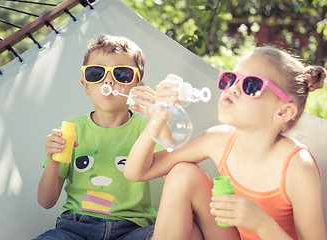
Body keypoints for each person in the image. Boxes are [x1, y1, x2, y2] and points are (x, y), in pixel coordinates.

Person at [125, 46, 327, 240]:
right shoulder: (218, 140)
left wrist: (261, 224)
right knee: (182, 173)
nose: (233, 89)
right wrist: (159, 117)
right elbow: (137, 172)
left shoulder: (297, 165)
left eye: (251, 84)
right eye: (230, 78)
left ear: (283, 112)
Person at [34, 34, 160, 240]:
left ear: (137, 87)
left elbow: (173, 176)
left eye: (122, 74)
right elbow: (46, 200)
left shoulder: (147, 127)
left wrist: (159, 120)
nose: (109, 80)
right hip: (75, 228)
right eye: (96, 73)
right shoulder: (72, 128)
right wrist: (52, 159)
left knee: (182, 232)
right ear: (86, 85)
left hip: (134, 229)